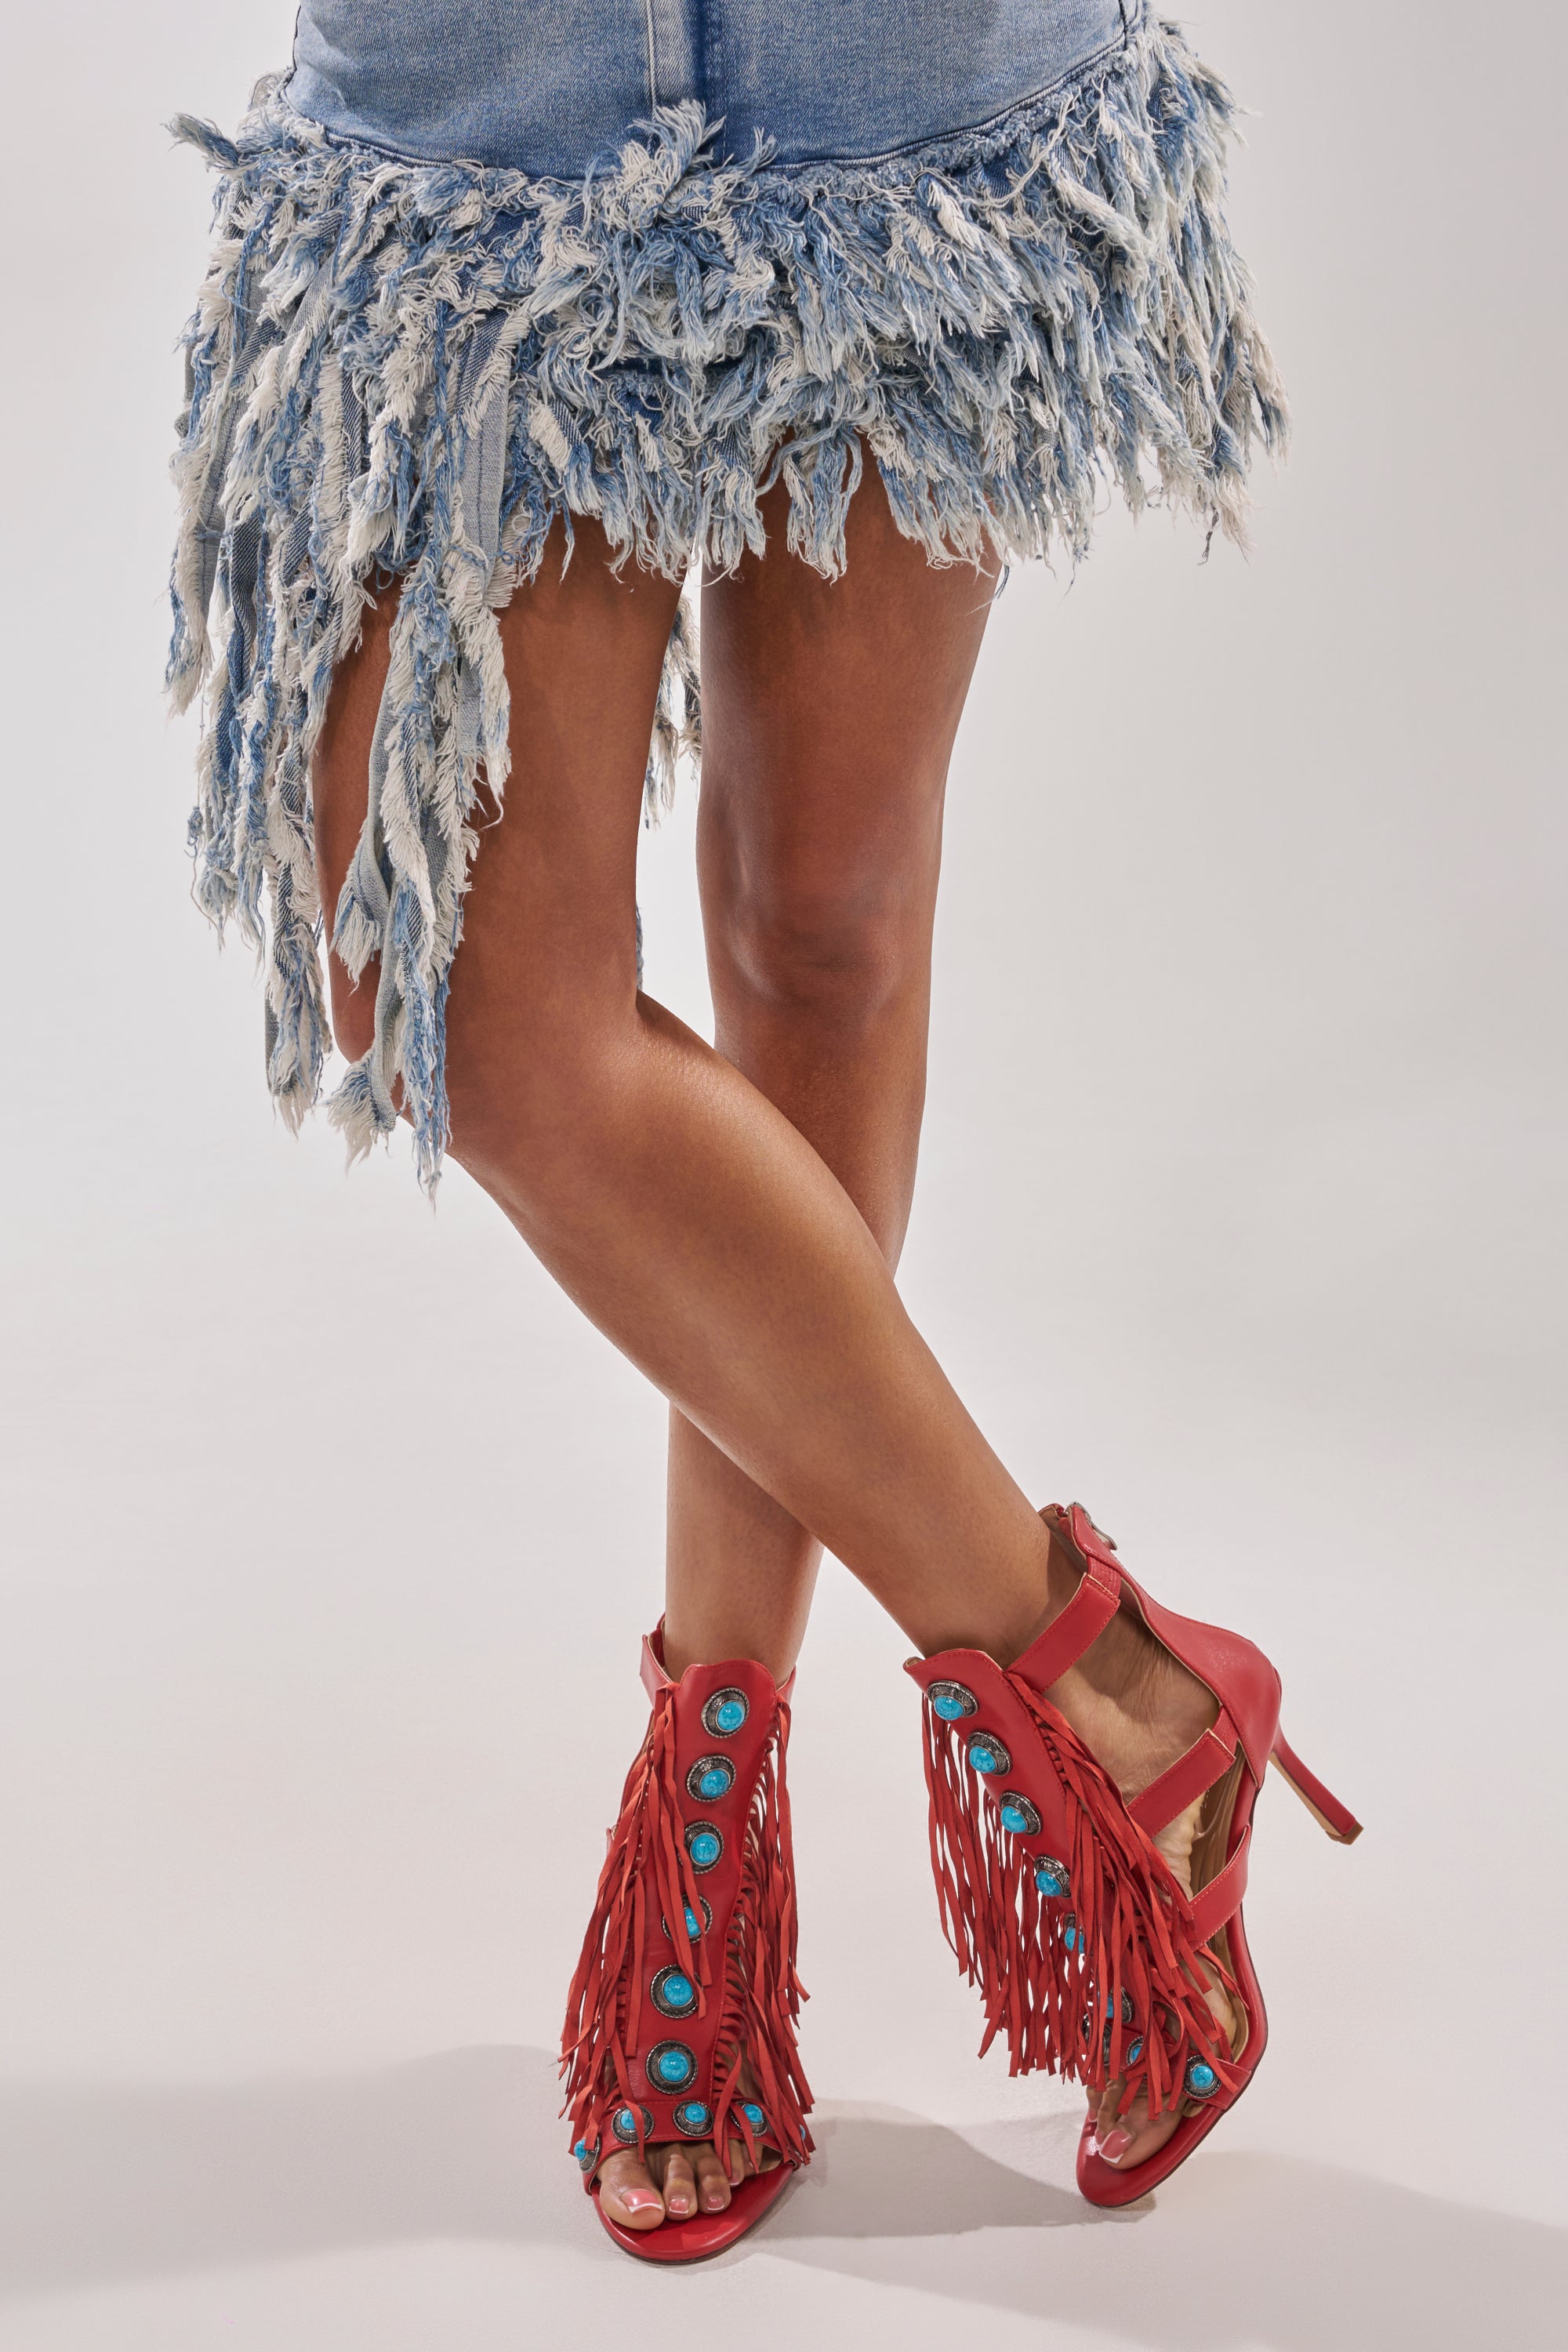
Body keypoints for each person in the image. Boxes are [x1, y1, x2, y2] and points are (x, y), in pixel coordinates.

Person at [167, 0, 1358, 2259]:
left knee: (822, 926)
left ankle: (714, 1795)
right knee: (467, 1006)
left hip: (899, 60)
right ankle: (1106, 1685)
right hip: (477, 94)